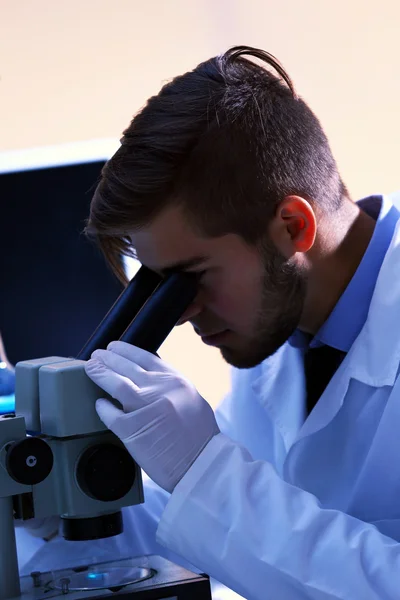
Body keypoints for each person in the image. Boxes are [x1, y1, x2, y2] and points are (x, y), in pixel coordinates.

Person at [26, 45, 400, 598]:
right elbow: (203, 534)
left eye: (191, 277)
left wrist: (205, 470)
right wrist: (52, 498)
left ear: (293, 226)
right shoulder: (282, 328)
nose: (180, 315)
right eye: (158, 286)